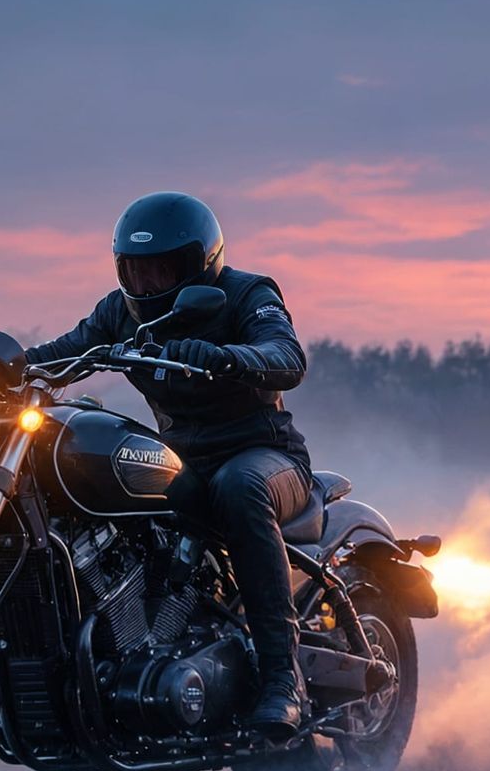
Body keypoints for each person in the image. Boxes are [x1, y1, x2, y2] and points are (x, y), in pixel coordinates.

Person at [25, 191, 313, 738]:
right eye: (137, 270)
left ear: (200, 264)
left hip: (267, 457)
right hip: (184, 465)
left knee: (239, 485)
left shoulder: (246, 294)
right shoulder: (119, 310)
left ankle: (283, 677)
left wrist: (228, 357)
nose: (149, 283)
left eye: (164, 269)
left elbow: (286, 355)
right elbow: (65, 353)